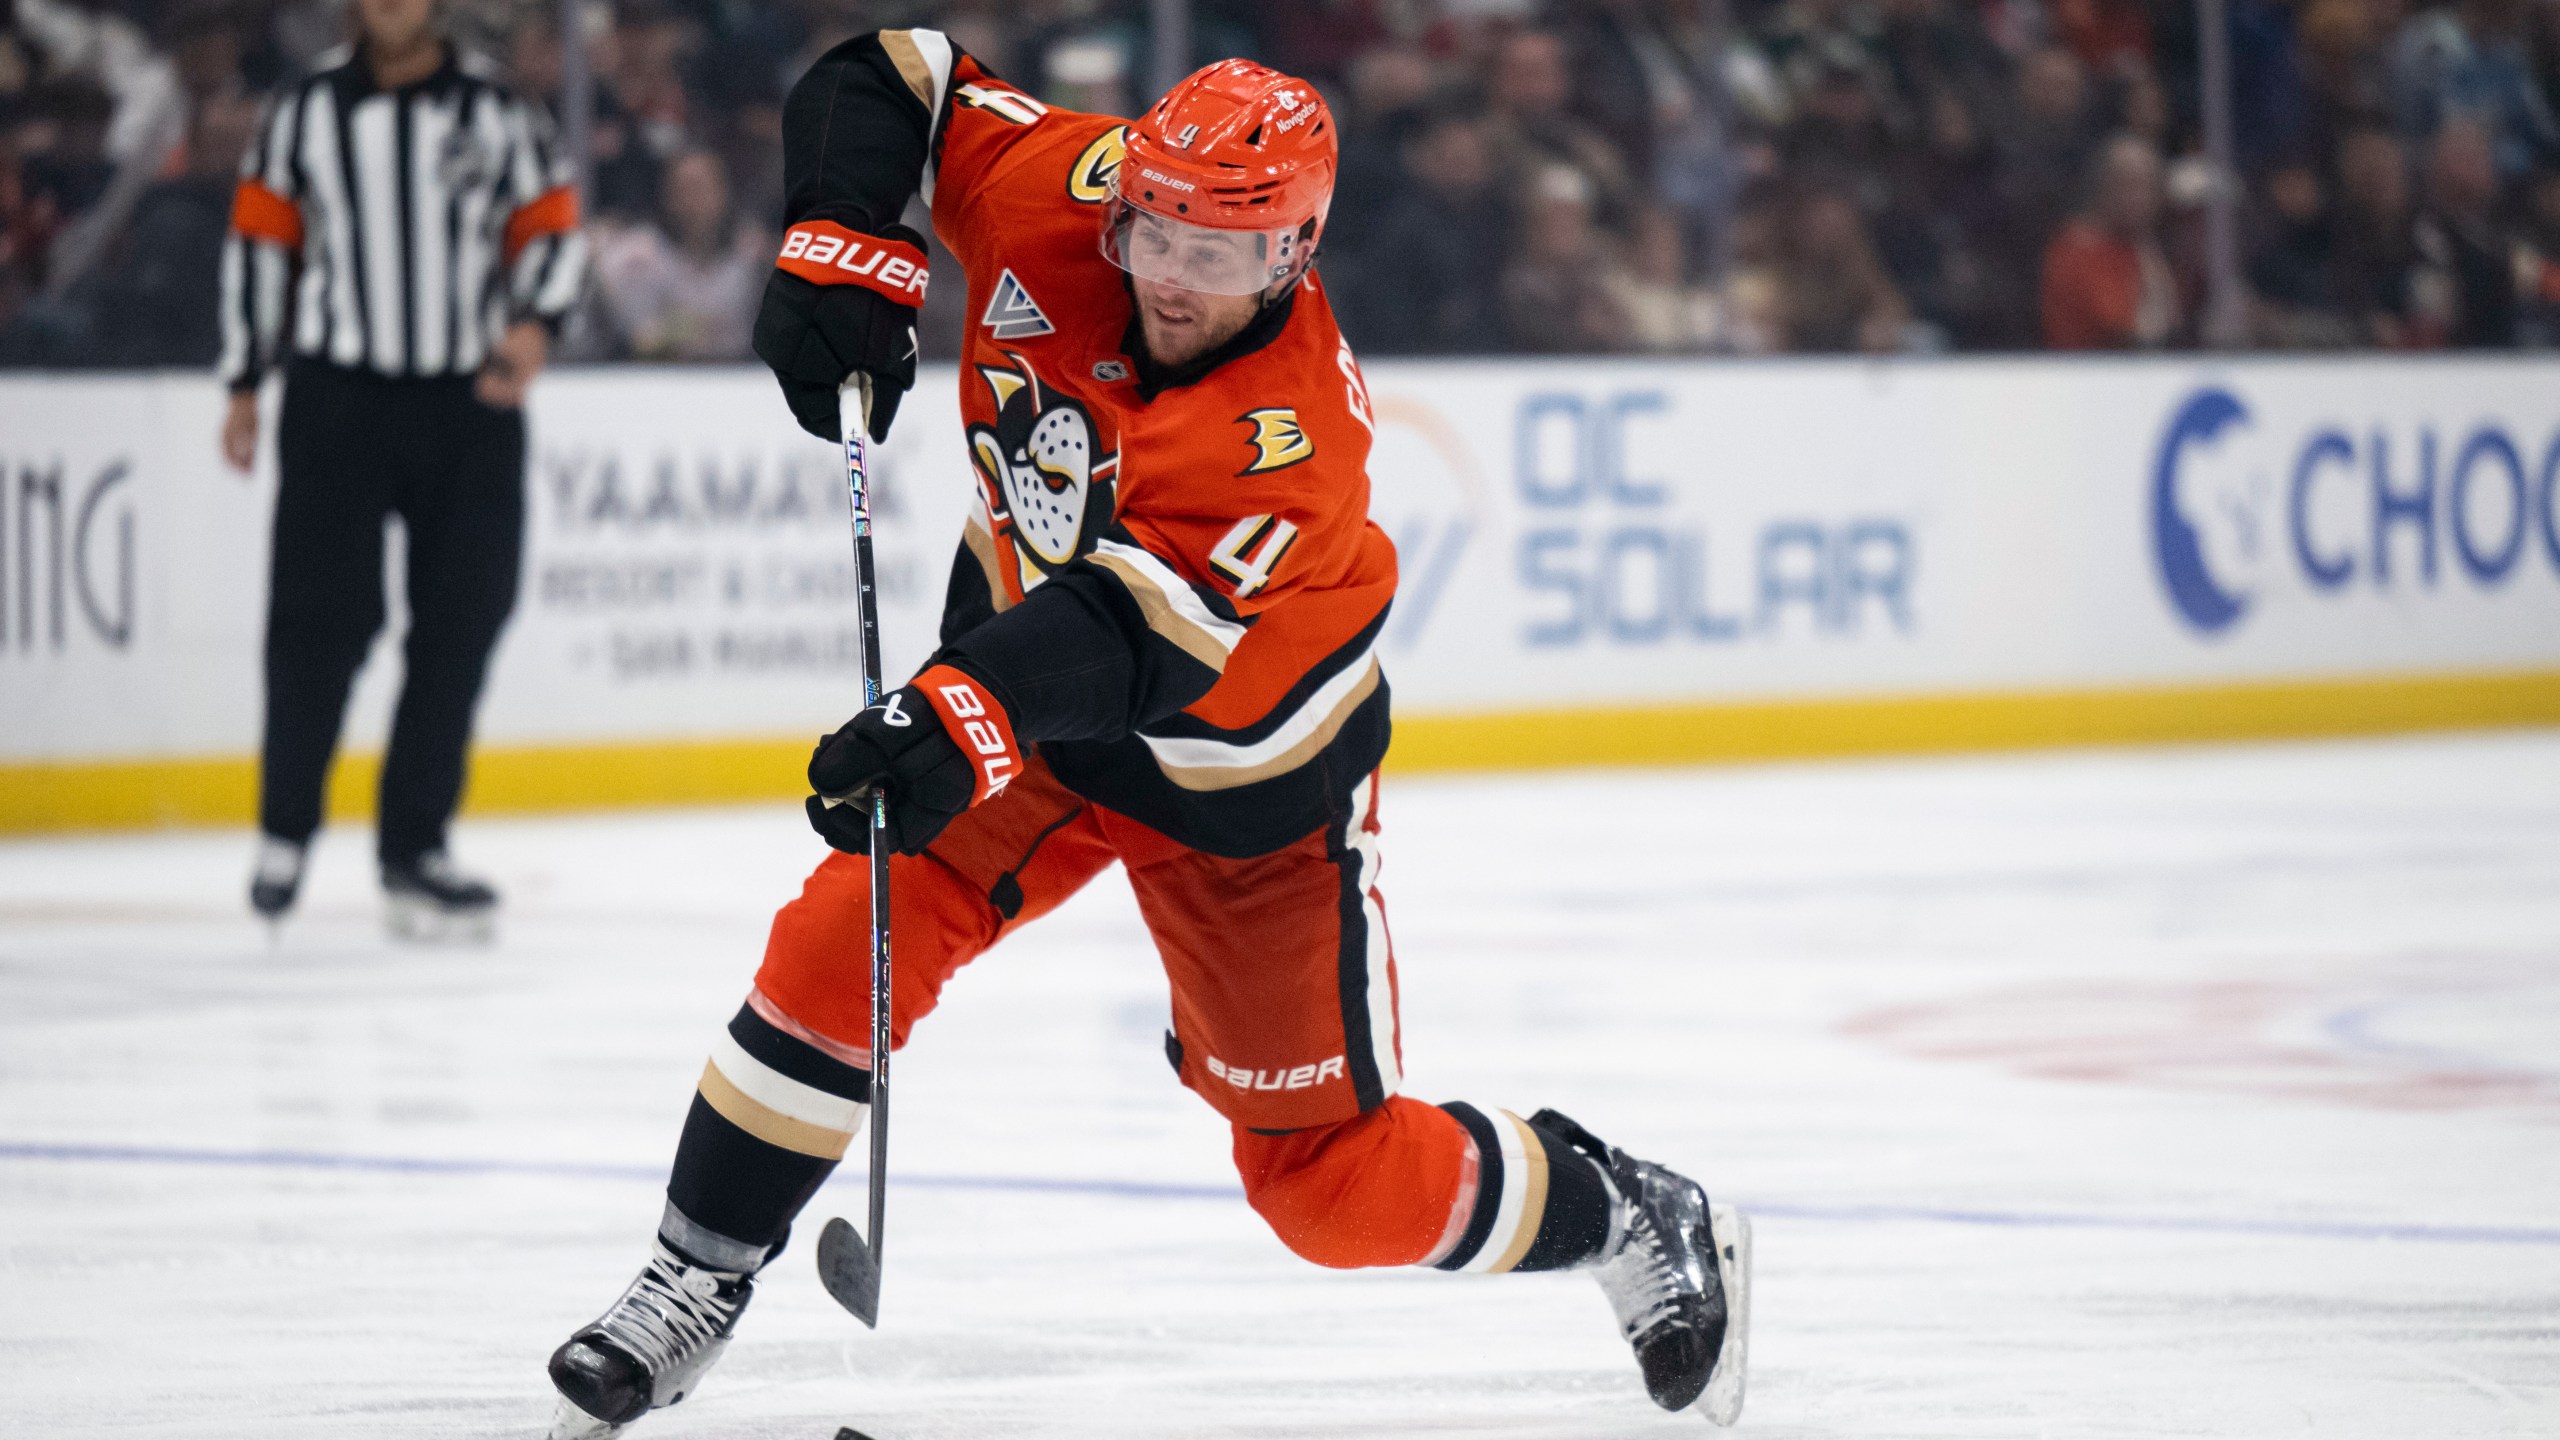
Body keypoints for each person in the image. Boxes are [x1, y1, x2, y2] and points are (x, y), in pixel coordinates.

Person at [541, 34, 1751, 1438]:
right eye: (1156, 233)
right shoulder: (1065, 185)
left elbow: (1125, 642)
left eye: (1222, 260)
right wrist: (840, 241)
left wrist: (951, 717)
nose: (1174, 277)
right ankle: (690, 1282)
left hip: (1242, 781)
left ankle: (1621, 1212)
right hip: (1023, 691)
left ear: (1295, 256)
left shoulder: (1288, 435)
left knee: (1329, 1189)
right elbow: (894, 70)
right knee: (842, 935)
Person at [216, 0, 586, 938]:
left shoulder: (497, 110)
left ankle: (414, 845)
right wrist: (246, 380)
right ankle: (285, 828)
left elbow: (551, 224)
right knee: (316, 619)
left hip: (469, 398)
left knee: (465, 614)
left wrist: (536, 324)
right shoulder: (302, 111)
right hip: (338, 394)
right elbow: (264, 243)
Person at [2040, 132, 2178, 348]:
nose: (2141, 199)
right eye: (2130, 185)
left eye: (2148, 187)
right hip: (2086, 372)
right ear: (2104, 186)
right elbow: (2124, 328)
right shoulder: (2077, 248)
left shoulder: (2145, 246)